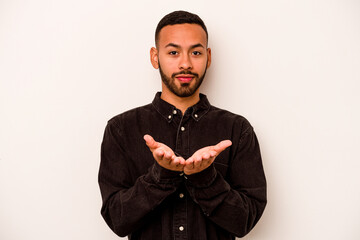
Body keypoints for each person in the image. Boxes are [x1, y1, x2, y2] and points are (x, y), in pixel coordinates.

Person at [99, 10, 267, 240]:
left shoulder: (237, 130)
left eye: (196, 52)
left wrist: (206, 178)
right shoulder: (121, 129)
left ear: (208, 57)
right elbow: (117, 220)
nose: (185, 63)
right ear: (155, 57)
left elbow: (245, 221)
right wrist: (160, 175)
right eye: (174, 52)